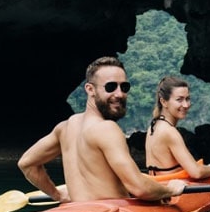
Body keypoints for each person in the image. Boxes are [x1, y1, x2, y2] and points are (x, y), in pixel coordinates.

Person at [18, 56, 186, 203]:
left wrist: (57, 195)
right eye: (110, 87)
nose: (119, 94)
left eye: (124, 87)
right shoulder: (107, 129)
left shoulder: (65, 127)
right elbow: (139, 188)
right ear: (90, 89)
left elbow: (27, 163)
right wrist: (170, 190)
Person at [144, 76, 210, 180]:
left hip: (159, 187)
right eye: (179, 100)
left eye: (187, 99)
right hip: (171, 192)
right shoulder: (170, 132)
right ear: (164, 102)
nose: (186, 105)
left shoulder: (153, 127)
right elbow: (196, 172)